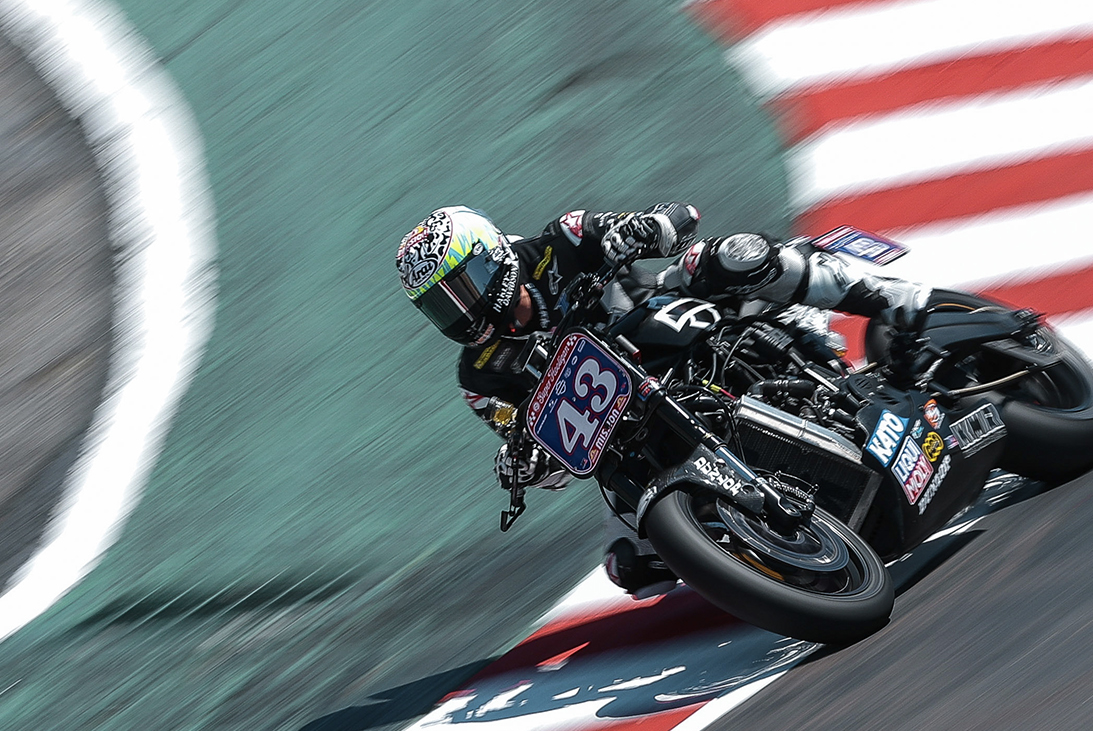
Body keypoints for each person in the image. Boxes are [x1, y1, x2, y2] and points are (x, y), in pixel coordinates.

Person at [396, 203, 928, 595]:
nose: (460, 313)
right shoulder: (480, 376)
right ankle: (767, 548)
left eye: (462, 289)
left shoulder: (559, 241)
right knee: (630, 567)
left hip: (669, 328)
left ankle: (892, 300)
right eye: (441, 306)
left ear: (492, 259)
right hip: (630, 429)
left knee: (723, 259)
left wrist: (644, 229)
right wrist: (524, 461)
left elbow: (677, 220)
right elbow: (542, 450)